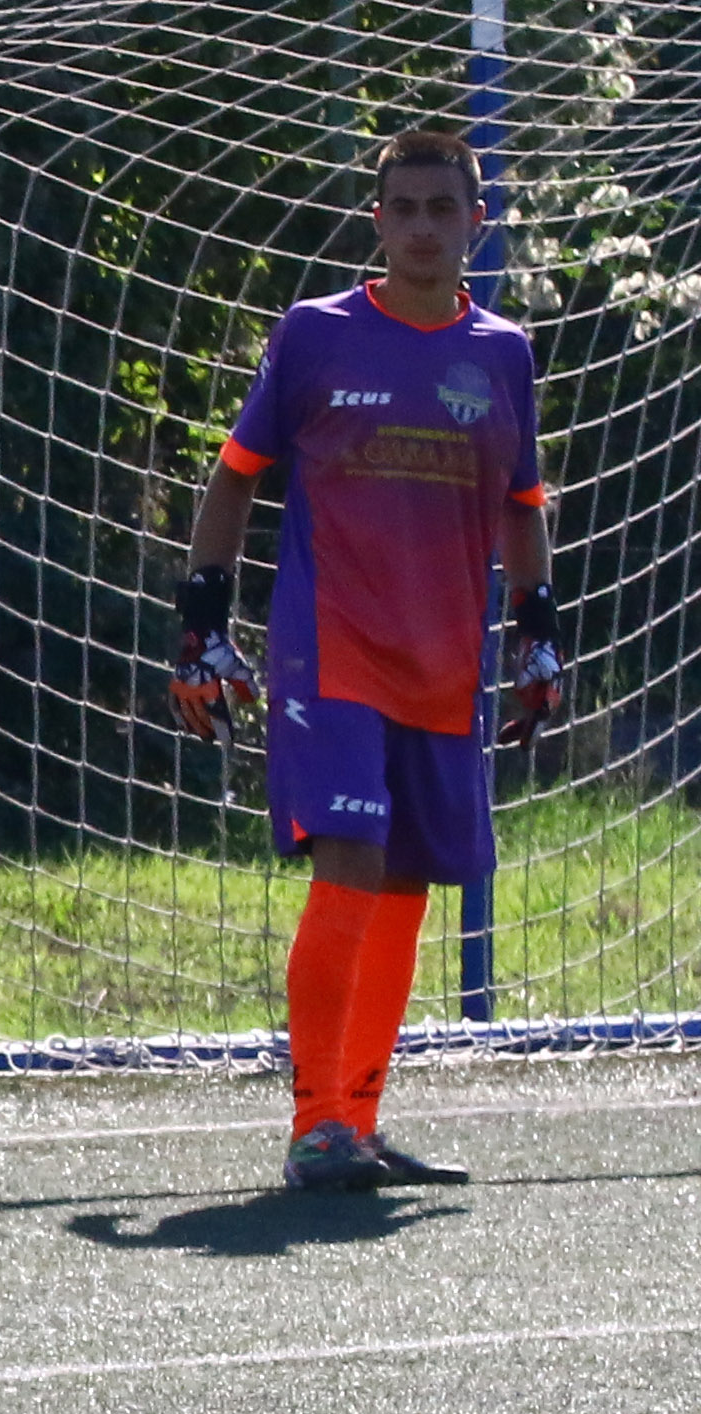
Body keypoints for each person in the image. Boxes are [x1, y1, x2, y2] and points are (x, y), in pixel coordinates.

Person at [171, 124, 562, 1194]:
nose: (425, 228)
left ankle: (360, 1118)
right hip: (329, 652)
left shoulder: (505, 354)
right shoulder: (315, 334)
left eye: (446, 209)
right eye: (406, 208)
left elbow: (525, 506)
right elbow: (235, 477)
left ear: (478, 225)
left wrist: (538, 632)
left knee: (404, 885)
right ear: (377, 220)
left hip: (443, 665)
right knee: (347, 859)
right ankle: (313, 1125)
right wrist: (203, 623)